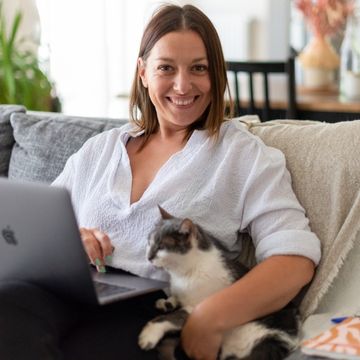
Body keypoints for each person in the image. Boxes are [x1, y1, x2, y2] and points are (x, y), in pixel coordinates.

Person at [0, 4, 321, 360]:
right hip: (71, 289)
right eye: (166, 68)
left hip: (156, 309)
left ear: (216, 75)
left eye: (198, 68)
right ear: (143, 73)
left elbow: (294, 259)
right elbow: (33, 230)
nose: (183, 85)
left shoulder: (243, 156)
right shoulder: (100, 149)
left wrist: (210, 316)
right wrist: (74, 239)